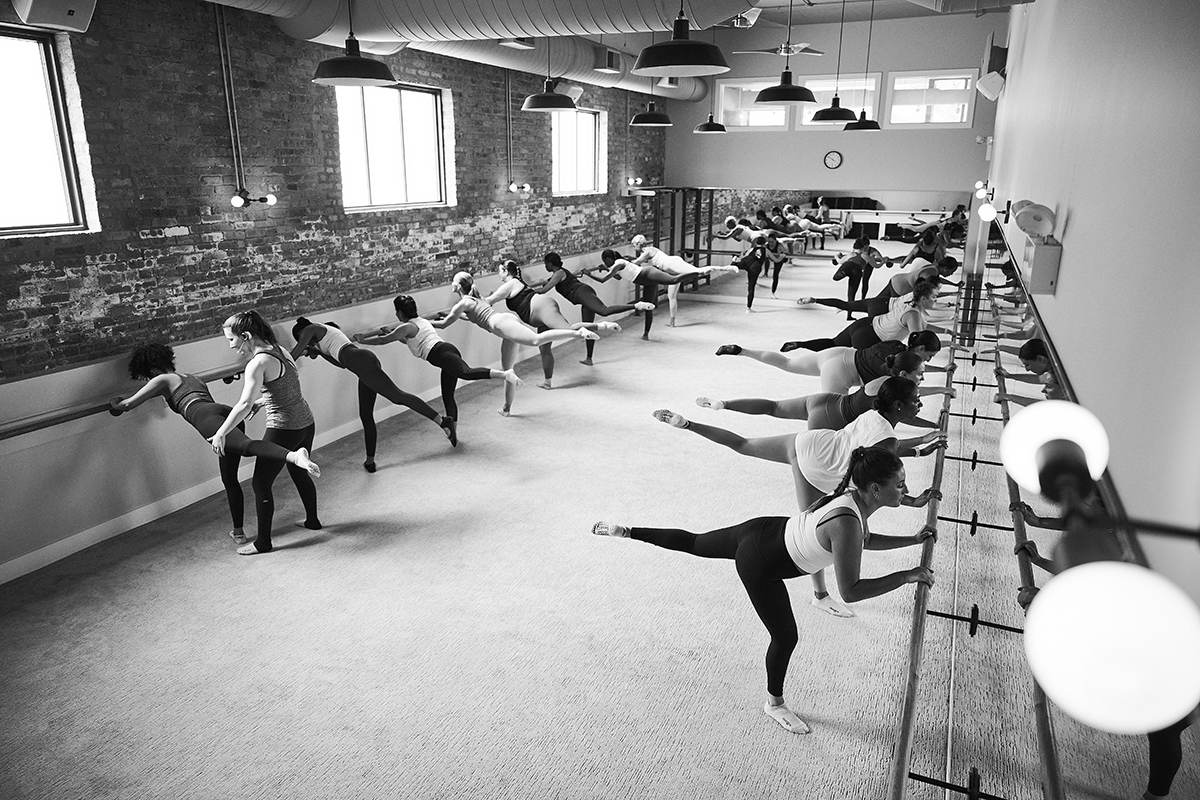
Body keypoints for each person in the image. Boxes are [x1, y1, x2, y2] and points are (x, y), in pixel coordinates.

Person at [591, 446, 934, 734]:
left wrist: (912, 540)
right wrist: (905, 576)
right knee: (785, 638)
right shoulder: (847, 522)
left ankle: (629, 530)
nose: (906, 492)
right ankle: (775, 704)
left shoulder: (853, 498)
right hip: (761, 565)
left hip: (761, 529)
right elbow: (852, 590)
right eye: (900, 486)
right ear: (874, 489)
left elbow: (866, 539)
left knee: (695, 542)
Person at [653, 377, 944, 616]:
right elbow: (877, 483)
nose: (920, 404)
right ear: (898, 405)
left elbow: (884, 449)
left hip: (811, 442)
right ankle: (820, 595)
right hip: (817, 470)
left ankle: (689, 423)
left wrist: (919, 446)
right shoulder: (887, 443)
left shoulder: (874, 414)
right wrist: (913, 500)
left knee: (742, 444)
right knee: (817, 537)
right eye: (916, 400)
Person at [108, 342, 320, 546]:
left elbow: (127, 404)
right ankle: (237, 532)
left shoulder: (162, 379)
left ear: (151, 369)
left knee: (245, 447)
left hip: (205, 417)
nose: (150, 379)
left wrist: (114, 404)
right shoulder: (193, 378)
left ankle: (293, 456)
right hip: (223, 412)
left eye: (147, 376)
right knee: (229, 477)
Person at [210, 310, 322, 555]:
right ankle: (312, 520)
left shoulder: (257, 363)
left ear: (246, 335)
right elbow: (287, 385)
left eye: (232, 339)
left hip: (285, 429)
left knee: (260, 484)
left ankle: (263, 543)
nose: (231, 346)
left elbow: (243, 405)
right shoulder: (279, 350)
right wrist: (266, 401)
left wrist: (220, 433)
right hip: (305, 422)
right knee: (299, 472)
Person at [351, 294, 522, 442]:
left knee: (466, 373)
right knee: (448, 395)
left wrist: (362, 340)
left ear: (400, 313)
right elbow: (409, 340)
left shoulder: (406, 326)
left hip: (441, 354)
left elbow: (383, 340)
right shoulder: (419, 322)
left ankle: (505, 374)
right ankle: (452, 430)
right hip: (446, 351)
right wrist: (390, 332)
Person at [290, 317, 453, 470]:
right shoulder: (324, 338)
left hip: (362, 362)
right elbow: (341, 363)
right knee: (366, 414)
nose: (305, 341)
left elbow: (294, 355)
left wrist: (282, 360)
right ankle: (370, 461)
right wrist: (318, 352)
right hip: (361, 364)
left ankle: (442, 421)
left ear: (301, 333)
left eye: (302, 339)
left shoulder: (312, 328)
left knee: (397, 396)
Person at [435, 270, 599, 415]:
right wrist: (446, 314)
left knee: (535, 340)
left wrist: (419, 321)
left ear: (458, 286)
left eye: (454, 281)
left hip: (501, 324)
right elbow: (470, 316)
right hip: (504, 323)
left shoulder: (463, 303)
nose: (452, 283)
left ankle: (579, 333)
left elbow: (444, 325)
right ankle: (507, 408)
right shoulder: (474, 299)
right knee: (508, 371)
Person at [695, 351, 952, 432]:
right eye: (920, 374)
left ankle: (724, 404)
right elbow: (908, 414)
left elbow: (915, 393)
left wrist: (941, 388)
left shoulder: (884, 380)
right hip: (832, 421)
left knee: (773, 407)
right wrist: (935, 426)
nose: (922, 378)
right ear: (905, 375)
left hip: (826, 401)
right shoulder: (896, 392)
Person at [482, 260, 619, 386]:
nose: (499, 273)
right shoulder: (516, 283)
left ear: (506, 271)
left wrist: (470, 299)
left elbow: (488, 301)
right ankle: (547, 382)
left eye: (500, 270)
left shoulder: (511, 284)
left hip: (541, 308)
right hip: (539, 313)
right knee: (544, 348)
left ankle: (602, 325)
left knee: (569, 330)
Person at [714, 330, 949, 395]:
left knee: (787, 364)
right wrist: (942, 389)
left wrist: (943, 371)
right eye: (930, 355)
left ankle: (742, 351)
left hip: (839, 354)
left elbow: (917, 369)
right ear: (920, 350)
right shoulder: (900, 371)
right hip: (841, 372)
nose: (928, 361)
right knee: (834, 416)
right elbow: (913, 388)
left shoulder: (896, 345)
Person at [527, 251, 654, 366]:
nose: (545, 266)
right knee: (588, 325)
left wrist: (526, 292)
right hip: (581, 296)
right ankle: (589, 358)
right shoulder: (558, 273)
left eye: (545, 264)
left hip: (582, 292)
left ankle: (637, 305)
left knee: (604, 311)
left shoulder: (559, 273)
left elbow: (544, 289)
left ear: (550, 263)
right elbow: (547, 283)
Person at [586, 248, 725, 337]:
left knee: (673, 280)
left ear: (609, 259)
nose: (606, 263)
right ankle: (646, 334)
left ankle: (698, 272)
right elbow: (617, 276)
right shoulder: (616, 265)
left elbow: (604, 280)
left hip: (648, 274)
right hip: (645, 281)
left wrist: (588, 274)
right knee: (648, 306)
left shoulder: (617, 264)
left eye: (605, 262)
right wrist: (605, 268)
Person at [781, 281, 946, 353]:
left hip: (865, 324)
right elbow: (918, 346)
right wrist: (945, 345)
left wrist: (947, 331)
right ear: (923, 299)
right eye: (934, 297)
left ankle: (800, 344)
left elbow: (923, 327)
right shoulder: (913, 315)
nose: (936, 300)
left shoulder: (910, 305)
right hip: (870, 337)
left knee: (833, 343)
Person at [797, 256, 960, 318]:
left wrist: (953, 287)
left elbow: (934, 285)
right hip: (900, 289)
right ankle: (849, 308)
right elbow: (925, 290)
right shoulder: (931, 273)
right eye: (951, 272)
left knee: (875, 303)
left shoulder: (932, 268)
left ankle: (847, 307)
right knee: (880, 310)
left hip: (896, 280)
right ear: (945, 268)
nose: (951, 275)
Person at [628, 234, 736, 327]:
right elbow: (639, 261)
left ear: (639, 243)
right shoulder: (646, 252)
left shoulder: (648, 251)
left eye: (634, 245)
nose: (634, 247)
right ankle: (672, 322)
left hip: (672, 264)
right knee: (671, 296)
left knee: (699, 271)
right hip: (672, 272)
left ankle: (726, 267)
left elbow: (637, 262)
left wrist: (624, 262)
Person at [828, 237, 893, 315]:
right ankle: (849, 314)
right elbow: (876, 266)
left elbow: (839, 261)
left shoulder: (851, 254)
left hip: (849, 266)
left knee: (837, 276)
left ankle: (843, 272)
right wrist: (884, 261)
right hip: (857, 271)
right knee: (851, 293)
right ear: (862, 248)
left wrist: (836, 256)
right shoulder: (866, 256)